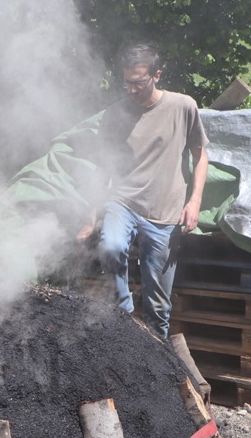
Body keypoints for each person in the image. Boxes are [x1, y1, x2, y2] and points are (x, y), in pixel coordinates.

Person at [79, 43, 209, 339]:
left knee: (158, 305)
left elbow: (200, 155)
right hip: (123, 201)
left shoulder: (183, 106)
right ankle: (123, 318)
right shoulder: (114, 115)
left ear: (156, 75)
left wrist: (195, 202)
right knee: (111, 247)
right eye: (127, 82)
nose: (133, 89)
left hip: (165, 212)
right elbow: (101, 169)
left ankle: (156, 363)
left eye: (139, 82)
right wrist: (89, 219)